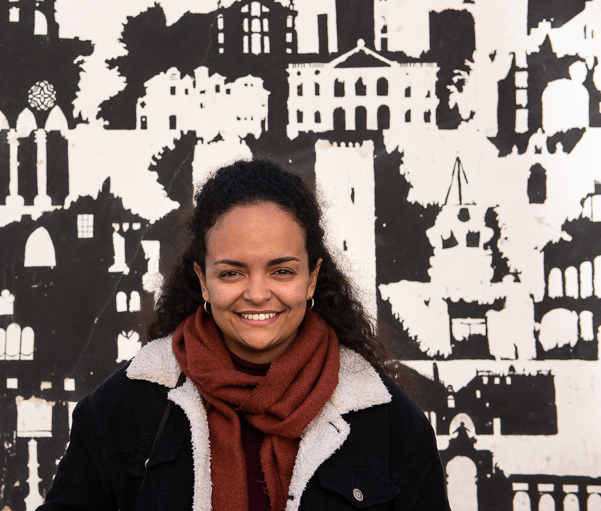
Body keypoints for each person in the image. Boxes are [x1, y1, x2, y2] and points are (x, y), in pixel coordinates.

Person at [39, 159, 451, 510]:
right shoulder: (122, 408)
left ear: (311, 279)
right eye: (232, 273)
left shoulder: (388, 423)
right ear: (203, 281)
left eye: (282, 271)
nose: (256, 294)